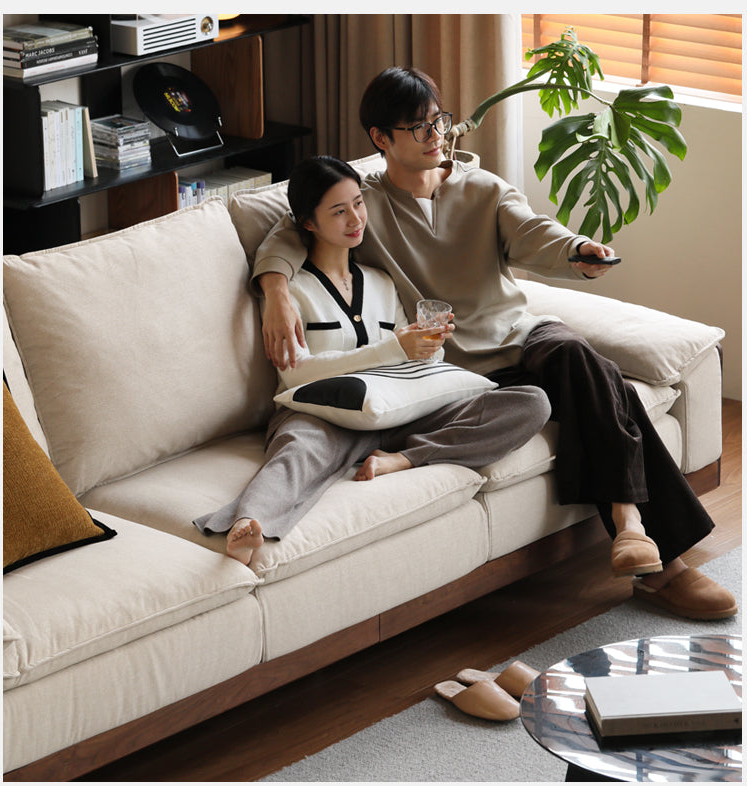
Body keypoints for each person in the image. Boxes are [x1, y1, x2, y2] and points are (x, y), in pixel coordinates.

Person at [251, 68, 737, 620]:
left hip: (520, 335)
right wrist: (275, 288)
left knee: (580, 360)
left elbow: (534, 231)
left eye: (440, 120)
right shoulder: (364, 205)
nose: (437, 134)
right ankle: (663, 569)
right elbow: (289, 229)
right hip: (456, 368)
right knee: (610, 389)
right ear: (380, 138)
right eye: (418, 127)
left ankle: (631, 526)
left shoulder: (482, 188)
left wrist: (578, 249)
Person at [194, 155, 551, 565]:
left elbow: (409, 361)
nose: (356, 218)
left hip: (399, 412)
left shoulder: (382, 281)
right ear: (308, 223)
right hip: (322, 416)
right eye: (339, 211)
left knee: (530, 402)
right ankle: (249, 523)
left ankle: (404, 458)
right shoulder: (290, 294)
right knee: (298, 450)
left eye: (358, 204)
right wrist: (392, 349)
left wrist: (429, 348)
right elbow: (296, 375)